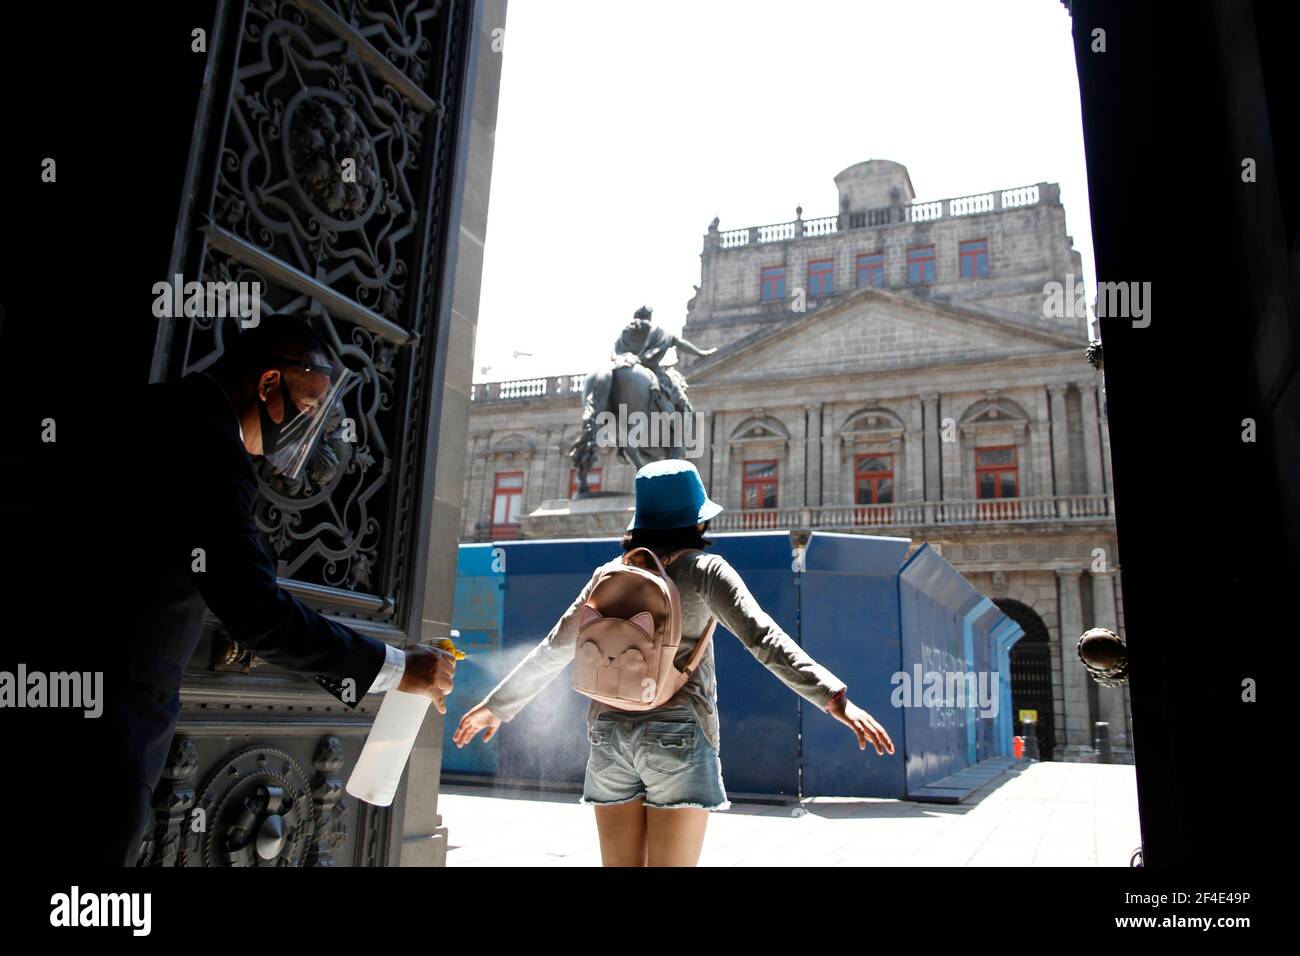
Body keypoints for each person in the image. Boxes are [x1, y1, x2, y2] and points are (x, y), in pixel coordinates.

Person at [87, 314, 456, 865]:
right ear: (267, 384)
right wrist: (398, 666)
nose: (302, 434)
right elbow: (255, 610)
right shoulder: (213, 450)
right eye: (307, 411)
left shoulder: (147, 409)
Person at [453, 458, 895, 866]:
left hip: (608, 732)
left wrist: (498, 707)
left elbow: (556, 646)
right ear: (697, 519)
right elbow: (762, 639)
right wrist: (833, 698)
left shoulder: (610, 573)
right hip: (678, 732)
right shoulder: (707, 571)